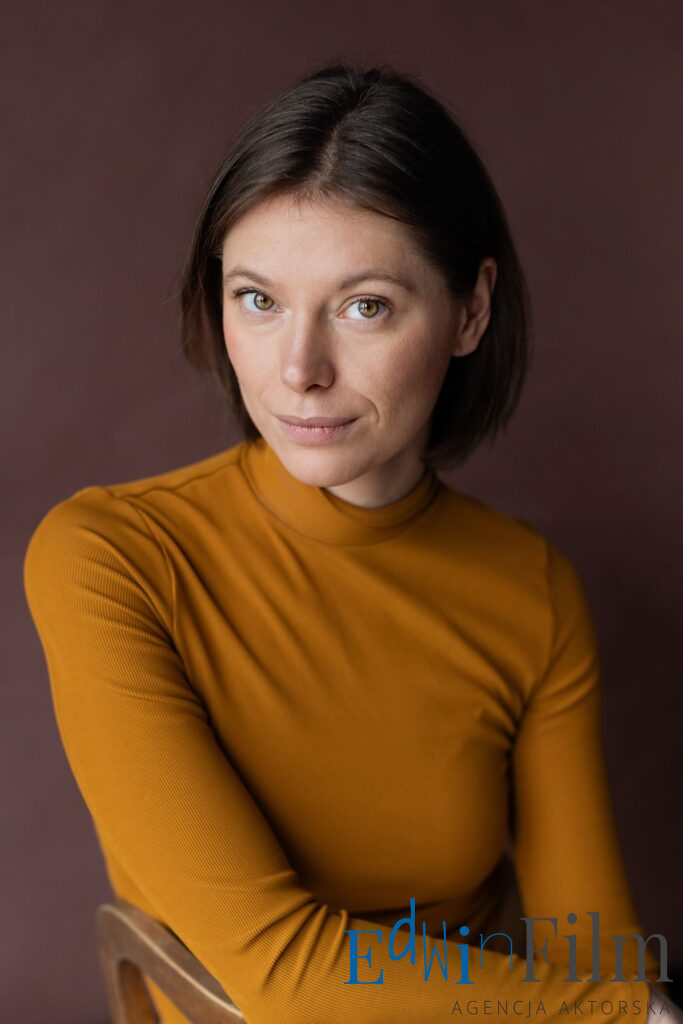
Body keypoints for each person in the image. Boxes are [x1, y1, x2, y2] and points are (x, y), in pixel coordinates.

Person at [23, 63, 678, 1024]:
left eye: (363, 305)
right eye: (258, 299)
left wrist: (620, 1006)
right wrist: (620, 1013)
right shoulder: (112, 559)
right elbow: (280, 974)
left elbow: (595, 950)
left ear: (470, 311)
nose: (299, 369)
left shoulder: (530, 587)